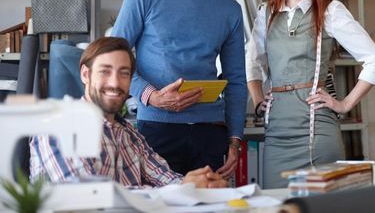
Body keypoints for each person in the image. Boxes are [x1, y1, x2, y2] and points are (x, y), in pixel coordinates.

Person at [110, 0, 247, 179]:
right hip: (158, 129)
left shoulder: (230, 9)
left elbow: (237, 80)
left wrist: (234, 140)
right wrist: (152, 96)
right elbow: (114, 57)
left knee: (211, 209)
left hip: (210, 131)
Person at [245, 0, 375, 188]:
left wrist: (344, 104)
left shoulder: (330, 11)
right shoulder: (265, 14)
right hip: (276, 132)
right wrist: (257, 101)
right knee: (275, 205)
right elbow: (251, 62)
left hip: (316, 131)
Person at [30, 37, 227, 188]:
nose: (115, 83)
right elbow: (89, 197)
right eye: (105, 71)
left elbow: (164, 178)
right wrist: (180, 189)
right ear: (85, 74)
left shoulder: (129, 134)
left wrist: (195, 184)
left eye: (124, 73)